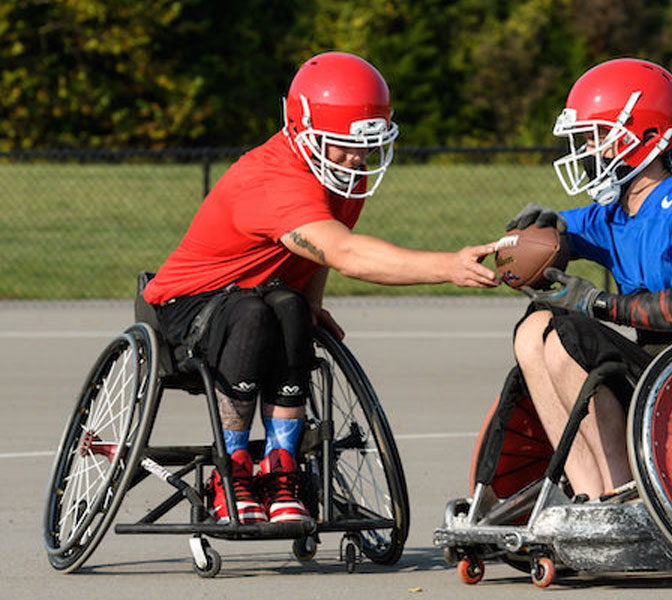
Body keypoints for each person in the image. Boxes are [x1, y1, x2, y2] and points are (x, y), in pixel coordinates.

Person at [143, 51, 497, 525]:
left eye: (366, 146)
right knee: (251, 313)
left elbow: (319, 250)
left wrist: (312, 303)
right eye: (344, 145)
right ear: (303, 129)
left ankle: (280, 465)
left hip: (263, 295)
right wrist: (447, 266)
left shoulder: (342, 174)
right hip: (189, 304)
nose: (357, 157)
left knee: (288, 306)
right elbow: (346, 254)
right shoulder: (276, 179)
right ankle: (232, 469)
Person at [507, 58, 672, 500]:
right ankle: (590, 497)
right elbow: (564, 234)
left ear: (646, 136)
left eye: (597, 137)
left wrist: (597, 303)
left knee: (570, 333)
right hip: (659, 364)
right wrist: (525, 239)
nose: (588, 150)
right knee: (536, 326)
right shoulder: (617, 208)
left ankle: (623, 492)